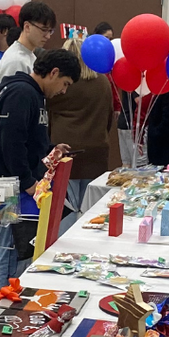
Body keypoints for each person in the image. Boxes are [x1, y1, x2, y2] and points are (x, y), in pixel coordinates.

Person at [0, 47, 80, 286]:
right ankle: (5, 306)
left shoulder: (35, 95)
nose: (64, 91)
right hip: (15, 188)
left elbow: (29, 139)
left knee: (24, 254)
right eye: (65, 83)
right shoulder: (21, 93)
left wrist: (51, 148)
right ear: (54, 72)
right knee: (14, 253)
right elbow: (11, 143)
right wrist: (27, 183)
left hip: (24, 184)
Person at [47, 35, 118, 230]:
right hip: (97, 151)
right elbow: (109, 117)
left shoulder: (62, 84)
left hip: (65, 149)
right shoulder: (103, 82)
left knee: (65, 208)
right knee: (92, 210)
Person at [0, 1, 58, 107]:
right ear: (27, 27)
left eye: (50, 31)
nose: (47, 36)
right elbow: (10, 105)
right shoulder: (16, 60)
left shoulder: (29, 55)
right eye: (44, 30)